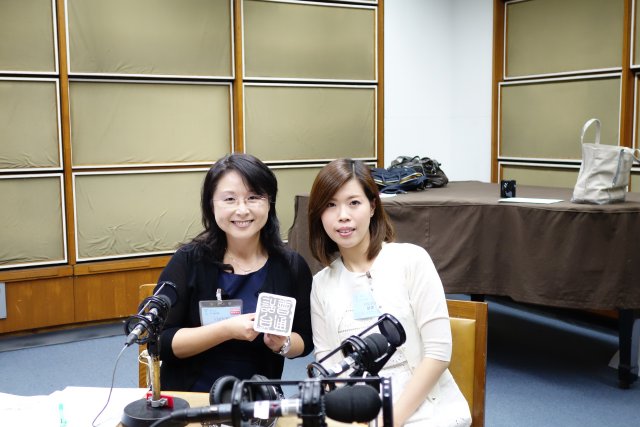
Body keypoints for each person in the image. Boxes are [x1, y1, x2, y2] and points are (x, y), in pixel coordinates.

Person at [307, 159, 471, 426]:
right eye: (330, 205)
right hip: (359, 412)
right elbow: (329, 367)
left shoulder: (411, 260)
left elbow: (438, 353)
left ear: (373, 206)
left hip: (427, 409)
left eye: (354, 202)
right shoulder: (321, 284)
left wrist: (389, 421)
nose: (343, 215)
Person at [155, 153, 313, 392]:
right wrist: (226, 330)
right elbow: (160, 342)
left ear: (269, 203)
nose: (242, 210)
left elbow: (305, 341)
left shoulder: (291, 265)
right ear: (211, 204)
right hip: (191, 397)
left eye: (253, 197)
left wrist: (283, 343)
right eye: (229, 199)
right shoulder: (188, 260)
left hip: (257, 398)